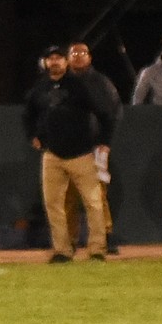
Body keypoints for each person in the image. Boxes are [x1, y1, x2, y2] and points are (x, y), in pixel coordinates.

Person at [23, 44, 115, 263]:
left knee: (93, 202)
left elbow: (104, 113)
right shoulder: (40, 88)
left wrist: (104, 141)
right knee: (53, 204)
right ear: (45, 63)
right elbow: (28, 114)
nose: (54, 61)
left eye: (58, 58)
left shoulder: (79, 86)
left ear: (66, 62)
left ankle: (97, 249)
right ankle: (62, 250)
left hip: (81, 153)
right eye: (50, 58)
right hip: (52, 155)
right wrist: (32, 135)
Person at [65, 41, 123, 255]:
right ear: (68, 57)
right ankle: (68, 240)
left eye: (82, 52)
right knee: (67, 195)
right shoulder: (61, 82)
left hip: (94, 146)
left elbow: (113, 113)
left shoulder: (100, 82)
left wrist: (105, 142)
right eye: (74, 53)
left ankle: (104, 237)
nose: (78, 56)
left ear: (89, 57)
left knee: (97, 193)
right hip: (67, 146)